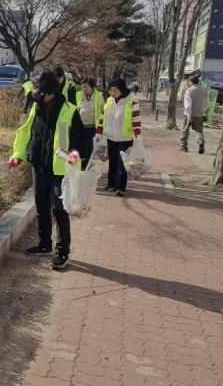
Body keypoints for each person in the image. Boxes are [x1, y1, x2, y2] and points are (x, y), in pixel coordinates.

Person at [9, 70, 85, 269]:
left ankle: (62, 252)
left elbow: (79, 141)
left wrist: (75, 153)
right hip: (40, 165)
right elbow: (26, 133)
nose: (32, 90)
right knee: (41, 205)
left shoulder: (70, 110)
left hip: (60, 169)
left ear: (46, 90)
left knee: (59, 209)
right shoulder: (37, 108)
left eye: (35, 87)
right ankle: (44, 244)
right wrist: (18, 155)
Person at [95, 79, 142, 197]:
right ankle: (111, 184)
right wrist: (98, 132)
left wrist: (138, 136)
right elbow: (102, 116)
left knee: (122, 164)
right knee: (113, 162)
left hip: (125, 139)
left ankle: (120, 188)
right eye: (110, 90)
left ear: (122, 89)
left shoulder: (132, 101)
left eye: (115, 90)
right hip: (111, 138)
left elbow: (136, 120)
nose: (112, 93)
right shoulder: (109, 101)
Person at [75, 78, 105, 167]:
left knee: (91, 148)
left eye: (86, 87)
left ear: (92, 87)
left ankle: (88, 165)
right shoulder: (78, 95)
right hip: (81, 127)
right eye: (82, 87)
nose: (84, 89)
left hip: (93, 128)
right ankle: (83, 165)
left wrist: (101, 129)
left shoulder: (99, 96)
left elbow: (104, 111)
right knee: (82, 147)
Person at [181, 74, 209, 154]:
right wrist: (202, 112)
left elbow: (188, 105)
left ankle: (184, 146)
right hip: (199, 114)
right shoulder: (204, 90)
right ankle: (201, 143)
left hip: (189, 115)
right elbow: (207, 103)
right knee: (199, 131)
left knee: (185, 130)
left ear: (191, 82)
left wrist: (189, 116)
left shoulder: (189, 91)